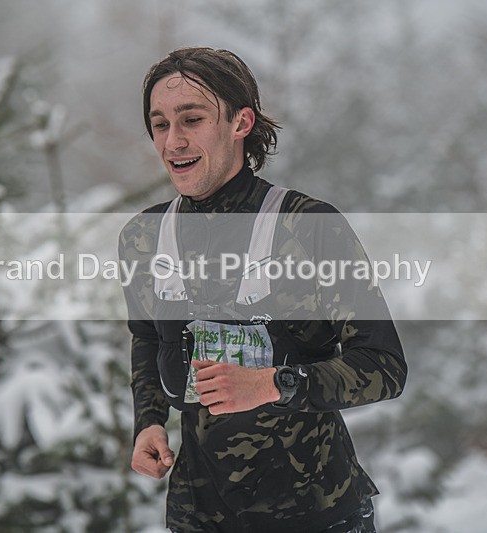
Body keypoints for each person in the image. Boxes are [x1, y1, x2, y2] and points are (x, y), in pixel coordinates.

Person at [119, 47, 407, 533]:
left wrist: (274, 383)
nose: (174, 140)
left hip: (318, 513)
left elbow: (384, 366)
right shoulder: (143, 238)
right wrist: (149, 419)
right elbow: (148, 338)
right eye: (161, 124)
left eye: (192, 118)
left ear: (241, 122)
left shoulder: (309, 226)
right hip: (197, 515)